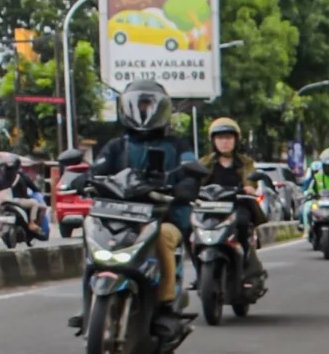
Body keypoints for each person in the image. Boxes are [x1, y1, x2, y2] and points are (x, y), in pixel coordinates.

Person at [74, 79, 199, 329]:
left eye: (148, 106)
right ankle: (89, 301)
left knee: (163, 237)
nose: (143, 111)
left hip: (163, 217)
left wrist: (188, 183)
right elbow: (98, 169)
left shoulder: (178, 145)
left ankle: (165, 305)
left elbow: (191, 168)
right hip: (120, 217)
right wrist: (82, 179)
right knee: (89, 232)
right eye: (139, 106)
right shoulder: (116, 146)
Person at [194, 115, 264, 281]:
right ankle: (200, 272)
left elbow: (250, 178)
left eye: (228, 137)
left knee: (243, 222)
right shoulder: (205, 162)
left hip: (236, 206)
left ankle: (245, 263)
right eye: (220, 138)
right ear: (213, 141)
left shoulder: (245, 162)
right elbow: (194, 181)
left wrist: (249, 187)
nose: (224, 142)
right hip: (209, 209)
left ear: (235, 140)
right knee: (191, 230)